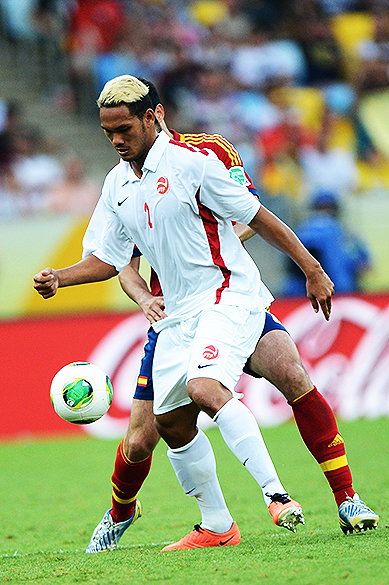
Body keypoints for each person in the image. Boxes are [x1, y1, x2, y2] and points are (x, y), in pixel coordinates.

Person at [33, 75, 378, 551]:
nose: (115, 140)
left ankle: (315, 498)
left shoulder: (198, 160)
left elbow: (255, 215)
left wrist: (311, 269)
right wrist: (61, 277)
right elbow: (111, 260)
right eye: (107, 132)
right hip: (175, 314)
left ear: (153, 117)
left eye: (124, 130)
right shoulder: (117, 184)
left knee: (271, 376)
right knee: (166, 425)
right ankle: (213, 526)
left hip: (226, 294)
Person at [282, 190, 371, 297]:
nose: (326, 213)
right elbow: (291, 266)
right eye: (321, 208)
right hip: (306, 292)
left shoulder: (347, 235)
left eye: (330, 208)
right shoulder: (304, 230)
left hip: (339, 291)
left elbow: (366, 264)